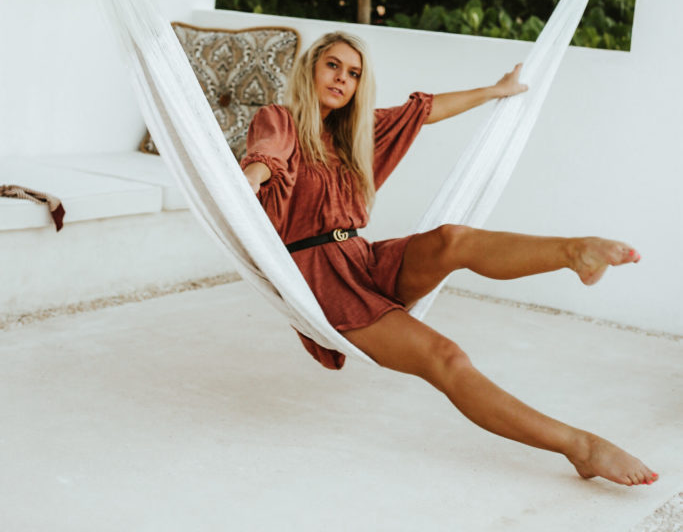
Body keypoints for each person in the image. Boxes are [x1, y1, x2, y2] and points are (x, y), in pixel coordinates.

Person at [241, 30, 657, 487]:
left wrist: (495, 91)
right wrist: (249, 181)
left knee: (451, 238)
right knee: (447, 357)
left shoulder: (355, 133)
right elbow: (267, 157)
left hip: (362, 258)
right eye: (333, 66)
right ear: (311, 69)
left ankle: (574, 252)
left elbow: (423, 111)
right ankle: (581, 446)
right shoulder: (280, 119)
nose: (343, 78)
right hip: (322, 282)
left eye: (354, 74)